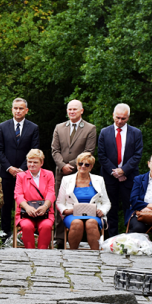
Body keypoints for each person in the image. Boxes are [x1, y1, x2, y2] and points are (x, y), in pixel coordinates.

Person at [50, 100, 97, 247]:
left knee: (80, 203)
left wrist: (71, 165)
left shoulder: (90, 128)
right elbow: (55, 150)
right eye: (69, 109)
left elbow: (89, 151)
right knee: (60, 205)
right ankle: (59, 238)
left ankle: (78, 237)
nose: (72, 112)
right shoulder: (59, 127)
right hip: (60, 172)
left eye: (75, 109)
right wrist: (62, 165)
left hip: (80, 173)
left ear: (81, 111)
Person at [0, 98, 40, 235]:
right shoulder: (3, 126)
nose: (18, 111)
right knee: (6, 205)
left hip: (26, 173)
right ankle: (5, 234)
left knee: (27, 203)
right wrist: (10, 168)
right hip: (6, 173)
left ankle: (25, 234)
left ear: (26, 110)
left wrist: (22, 168)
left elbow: (35, 149)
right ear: (12, 109)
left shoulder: (33, 128)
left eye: (21, 108)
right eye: (15, 108)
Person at [98, 104, 143, 237]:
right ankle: (110, 240)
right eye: (117, 117)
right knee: (110, 209)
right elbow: (101, 155)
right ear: (113, 115)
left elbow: (137, 155)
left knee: (130, 210)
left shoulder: (136, 133)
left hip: (129, 177)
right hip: (109, 178)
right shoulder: (104, 132)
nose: (119, 121)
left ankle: (129, 239)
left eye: (123, 118)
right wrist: (115, 172)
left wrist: (123, 171)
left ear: (128, 117)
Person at [56, 152, 109, 250]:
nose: (83, 166)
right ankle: (72, 254)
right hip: (72, 214)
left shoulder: (99, 180)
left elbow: (106, 202)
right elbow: (59, 202)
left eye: (87, 164)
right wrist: (65, 211)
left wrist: (102, 211)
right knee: (77, 223)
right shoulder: (66, 179)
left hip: (94, 215)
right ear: (76, 164)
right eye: (80, 163)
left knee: (91, 223)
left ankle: (96, 255)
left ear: (91, 167)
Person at [15, 149, 56, 249]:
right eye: (29, 161)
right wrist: (27, 208)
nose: (32, 164)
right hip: (26, 212)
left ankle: (42, 253)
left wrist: (45, 206)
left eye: (35, 162)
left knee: (46, 226)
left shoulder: (49, 174)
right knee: (26, 226)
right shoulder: (21, 176)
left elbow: (51, 192)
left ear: (41, 163)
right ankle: (30, 253)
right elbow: (18, 194)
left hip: (45, 212)